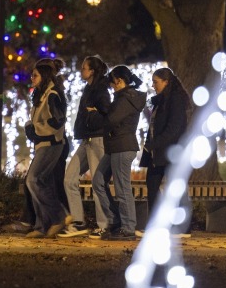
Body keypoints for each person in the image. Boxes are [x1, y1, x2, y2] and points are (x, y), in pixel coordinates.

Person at [59, 55, 115, 238]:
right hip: (86, 140)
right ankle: (78, 222)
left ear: (92, 71)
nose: (81, 70)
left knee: (98, 183)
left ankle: (104, 225)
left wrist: (93, 115)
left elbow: (108, 116)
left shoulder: (101, 90)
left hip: (97, 140)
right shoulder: (89, 88)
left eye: (84, 68)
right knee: (69, 178)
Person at [87, 65, 146, 241]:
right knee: (98, 181)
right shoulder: (122, 97)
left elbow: (111, 120)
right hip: (115, 146)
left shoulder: (127, 98)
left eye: (112, 84)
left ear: (119, 81)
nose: (111, 87)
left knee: (122, 189)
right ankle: (115, 221)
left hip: (122, 146)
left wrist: (95, 114)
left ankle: (127, 228)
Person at [22, 61, 69, 239]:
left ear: (45, 76)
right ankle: (42, 226)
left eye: (35, 75)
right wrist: (33, 130)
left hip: (52, 144)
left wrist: (35, 130)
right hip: (44, 143)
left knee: (33, 180)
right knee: (41, 182)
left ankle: (59, 216)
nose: (32, 78)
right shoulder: (41, 95)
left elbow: (58, 122)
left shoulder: (52, 94)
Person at [142, 67, 191, 218]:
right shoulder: (159, 101)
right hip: (157, 153)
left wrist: (153, 144)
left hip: (171, 152)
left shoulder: (175, 100)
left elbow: (174, 128)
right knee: (152, 185)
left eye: (156, 82)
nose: (153, 85)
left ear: (166, 82)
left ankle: (183, 224)